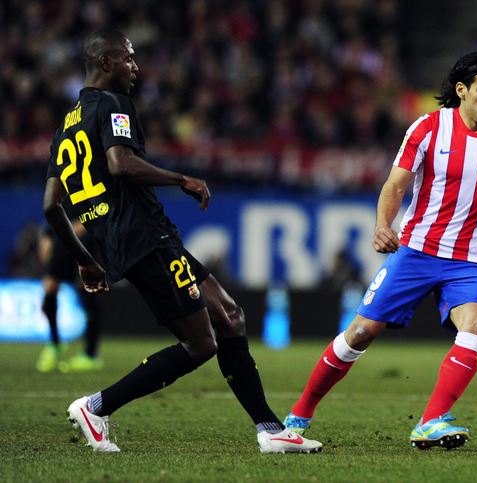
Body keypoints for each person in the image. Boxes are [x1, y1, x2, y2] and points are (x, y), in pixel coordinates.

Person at [281, 51, 477, 450]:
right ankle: (297, 418)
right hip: (416, 251)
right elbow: (395, 186)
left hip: (470, 260)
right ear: (461, 90)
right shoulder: (428, 129)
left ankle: (431, 421)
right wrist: (382, 225)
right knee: (360, 333)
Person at [43, 29, 321, 454]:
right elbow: (120, 164)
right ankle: (96, 408)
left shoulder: (66, 125)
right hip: (143, 237)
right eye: (128, 58)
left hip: (135, 239)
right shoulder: (115, 105)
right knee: (201, 343)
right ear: (106, 63)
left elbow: (50, 206)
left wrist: (85, 260)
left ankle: (270, 430)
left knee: (230, 316)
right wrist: (182, 179)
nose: (135, 67)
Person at [36, 219, 104, 373]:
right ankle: (55, 343)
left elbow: (100, 208)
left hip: (85, 242)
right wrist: (47, 235)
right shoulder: (62, 194)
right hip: (61, 241)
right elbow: (55, 206)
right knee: (49, 289)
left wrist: (83, 225)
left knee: (88, 293)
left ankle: (90, 355)